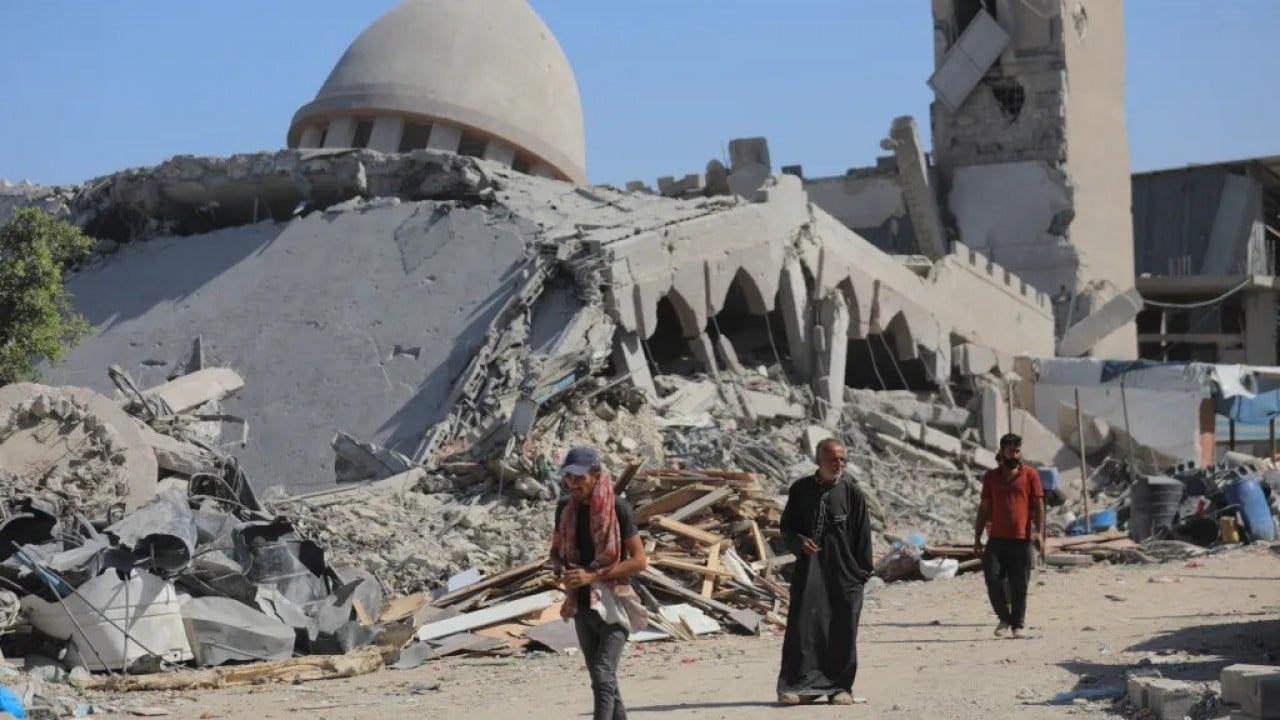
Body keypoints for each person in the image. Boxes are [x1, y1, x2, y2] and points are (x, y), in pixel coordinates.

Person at [550, 447, 648, 720]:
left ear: (595, 475)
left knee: (604, 673)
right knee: (601, 678)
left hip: (614, 601)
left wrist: (593, 576)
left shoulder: (617, 507)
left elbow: (640, 561)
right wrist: (558, 566)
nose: (573, 483)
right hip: (581, 604)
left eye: (579, 477)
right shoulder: (565, 509)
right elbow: (555, 550)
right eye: (569, 477)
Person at [776, 438, 874, 706]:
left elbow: (863, 536)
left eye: (843, 459)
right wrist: (799, 542)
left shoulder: (852, 493)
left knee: (843, 628)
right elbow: (787, 527)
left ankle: (840, 688)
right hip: (811, 571)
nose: (839, 464)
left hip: (845, 573)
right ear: (819, 460)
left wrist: (861, 574)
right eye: (833, 459)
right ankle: (798, 686)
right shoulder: (800, 490)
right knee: (804, 628)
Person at [973, 433, 1046, 638]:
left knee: (1019, 584)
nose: (1014, 454)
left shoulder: (1030, 475)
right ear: (1002, 451)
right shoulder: (991, 477)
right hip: (996, 539)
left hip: (1021, 540)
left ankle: (1018, 624)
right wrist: (977, 537)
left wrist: (1039, 533)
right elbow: (984, 508)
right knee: (993, 579)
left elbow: (1038, 506)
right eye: (1010, 451)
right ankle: (1004, 618)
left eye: (1017, 451)